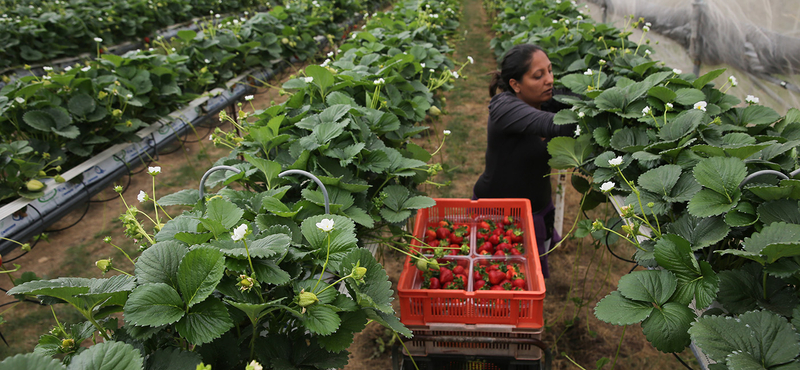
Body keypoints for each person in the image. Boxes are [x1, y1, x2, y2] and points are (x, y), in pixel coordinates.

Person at [472, 44, 577, 278]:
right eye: (538, 76)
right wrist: (593, 116)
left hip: (538, 210)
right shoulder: (503, 107)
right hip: (498, 215)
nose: (549, 80)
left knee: (527, 282)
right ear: (515, 85)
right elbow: (552, 124)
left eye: (550, 71)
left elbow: (579, 99)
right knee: (496, 283)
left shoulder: (547, 100)